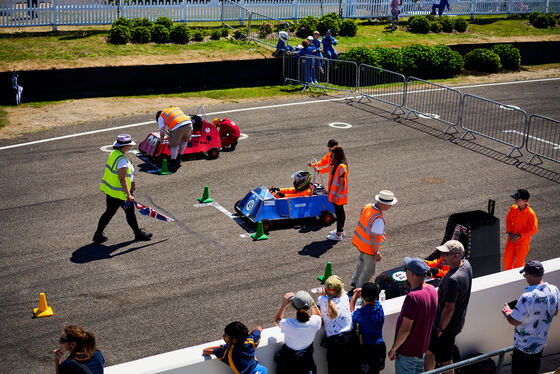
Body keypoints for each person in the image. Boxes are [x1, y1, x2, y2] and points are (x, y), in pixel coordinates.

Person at [501, 261, 559, 374]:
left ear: (531, 276)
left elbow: (515, 321)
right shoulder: (554, 290)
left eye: (525, 275)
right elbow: (555, 312)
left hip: (523, 347)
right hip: (540, 345)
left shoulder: (527, 297)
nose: (525, 278)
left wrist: (507, 312)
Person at [424, 240, 473, 374]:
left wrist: (440, 327)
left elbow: (449, 307)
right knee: (430, 351)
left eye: (446, 255)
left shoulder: (453, 280)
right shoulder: (467, 265)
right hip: (452, 323)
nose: (442, 257)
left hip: (445, 326)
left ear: (456, 256)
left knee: (445, 359)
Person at [93, 134, 152, 244]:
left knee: (109, 213)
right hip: (121, 194)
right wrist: (129, 194)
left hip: (111, 191)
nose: (130, 147)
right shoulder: (122, 161)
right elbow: (122, 179)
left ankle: (98, 234)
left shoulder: (114, 154)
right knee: (129, 213)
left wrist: (132, 182)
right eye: (129, 145)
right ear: (125, 146)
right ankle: (138, 234)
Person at [388, 258, 438, 374]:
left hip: (407, 353)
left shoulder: (413, 297)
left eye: (406, 269)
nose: (405, 272)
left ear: (411, 274)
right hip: (421, 351)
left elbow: (405, 329)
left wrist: (393, 349)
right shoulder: (432, 290)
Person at [350, 190, 397, 291]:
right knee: (369, 270)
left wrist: (380, 231)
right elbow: (373, 237)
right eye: (390, 204)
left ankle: (355, 281)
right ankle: (359, 289)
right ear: (384, 204)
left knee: (361, 263)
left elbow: (366, 221)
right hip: (369, 248)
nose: (390, 206)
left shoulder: (368, 206)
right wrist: (377, 252)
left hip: (360, 243)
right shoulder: (378, 219)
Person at [273, 290, 322, 374]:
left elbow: (277, 320)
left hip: (288, 363)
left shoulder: (288, 323)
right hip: (306, 363)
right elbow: (318, 316)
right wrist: (313, 304)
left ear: (293, 306)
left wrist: (284, 304)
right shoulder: (315, 321)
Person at [317, 275, 354, 374]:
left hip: (334, 343)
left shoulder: (322, 300)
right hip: (349, 339)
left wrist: (322, 295)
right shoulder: (345, 297)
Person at [202, 321, 268, 374]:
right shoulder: (251, 341)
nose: (223, 336)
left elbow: (205, 350)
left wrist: (221, 346)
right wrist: (245, 336)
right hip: (260, 370)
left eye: (226, 335)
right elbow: (259, 328)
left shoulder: (228, 351)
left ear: (234, 340)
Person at [349, 282, 386, 374]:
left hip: (366, 351)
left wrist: (354, 298)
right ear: (376, 297)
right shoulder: (379, 307)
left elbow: (351, 313)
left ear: (362, 296)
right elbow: (370, 303)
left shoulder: (359, 315)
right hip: (379, 348)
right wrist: (365, 293)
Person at [504, 188, 538, 270]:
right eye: (515, 199)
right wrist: (509, 232)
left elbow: (534, 229)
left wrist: (520, 235)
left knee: (519, 264)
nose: (515, 201)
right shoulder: (513, 208)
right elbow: (508, 220)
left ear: (525, 200)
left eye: (518, 199)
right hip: (511, 239)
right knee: (507, 261)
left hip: (523, 241)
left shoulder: (530, 214)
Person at [156, 107, 193, 171]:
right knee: (184, 140)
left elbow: (162, 131)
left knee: (174, 145)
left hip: (178, 126)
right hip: (189, 124)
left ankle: (173, 163)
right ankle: (180, 157)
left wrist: (161, 139)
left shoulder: (161, 117)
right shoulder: (174, 109)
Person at [326, 146, 348, 241]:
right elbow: (331, 173)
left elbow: (342, 182)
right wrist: (331, 164)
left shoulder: (341, 166)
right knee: (340, 212)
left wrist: (335, 195)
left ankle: (338, 234)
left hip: (338, 195)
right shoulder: (337, 164)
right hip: (336, 194)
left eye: (333, 155)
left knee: (339, 214)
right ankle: (341, 230)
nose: (332, 156)